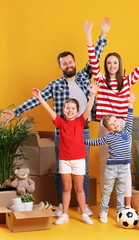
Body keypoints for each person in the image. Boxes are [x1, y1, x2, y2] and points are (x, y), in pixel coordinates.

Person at [0, 17, 111, 216]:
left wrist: (102, 34)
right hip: (62, 132)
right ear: (60, 66)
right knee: (62, 171)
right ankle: (62, 205)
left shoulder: (86, 75)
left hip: (83, 131)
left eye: (70, 62)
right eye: (64, 63)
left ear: (75, 63)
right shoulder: (55, 85)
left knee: (82, 171)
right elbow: (37, 99)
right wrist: (15, 112)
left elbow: (95, 55)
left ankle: (82, 208)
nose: (68, 65)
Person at [83, 20, 139, 208]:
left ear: (119, 64)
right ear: (105, 66)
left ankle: (127, 206)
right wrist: (91, 34)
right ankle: (105, 204)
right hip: (106, 127)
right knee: (105, 163)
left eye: (115, 62)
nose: (112, 65)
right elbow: (92, 57)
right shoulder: (100, 79)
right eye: (109, 62)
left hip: (122, 127)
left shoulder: (128, 80)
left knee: (124, 166)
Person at [31, 80, 98, 224]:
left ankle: (84, 214)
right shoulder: (61, 123)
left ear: (77, 111)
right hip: (65, 160)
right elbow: (49, 111)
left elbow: (88, 108)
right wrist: (39, 97)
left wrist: (93, 94)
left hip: (79, 160)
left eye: (73, 108)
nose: (70, 110)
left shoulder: (80, 121)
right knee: (66, 188)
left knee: (79, 188)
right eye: (68, 108)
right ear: (64, 110)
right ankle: (65, 214)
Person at [85, 92, 136, 223]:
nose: (115, 124)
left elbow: (129, 117)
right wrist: (83, 141)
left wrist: (130, 103)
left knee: (120, 191)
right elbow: (96, 142)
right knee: (107, 191)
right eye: (111, 124)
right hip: (111, 168)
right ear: (108, 129)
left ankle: (120, 212)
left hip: (124, 168)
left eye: (115, 121)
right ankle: (103, 212)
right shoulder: (108, 136)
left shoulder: (127, 131)